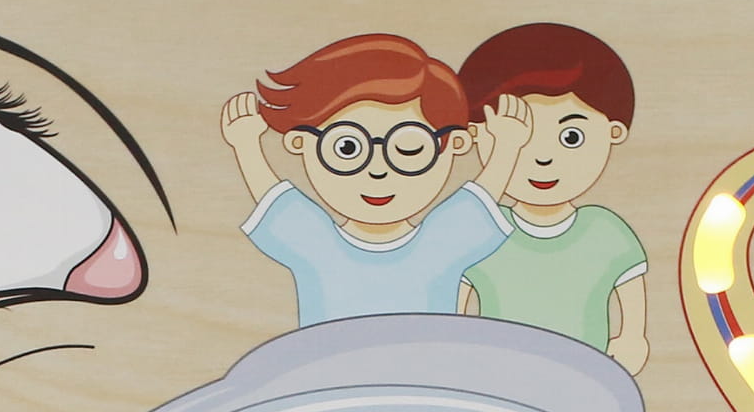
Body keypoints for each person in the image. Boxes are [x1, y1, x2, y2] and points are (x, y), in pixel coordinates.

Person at [220, 32, 531, 326]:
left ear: (455, 145)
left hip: (426, 366)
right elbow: (277, 202)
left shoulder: (441, 243)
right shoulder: (316, 243)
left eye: (409, 149)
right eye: (347, 148)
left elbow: (479, 200)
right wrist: (246, 146)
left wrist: (507, 147)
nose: (377, 170)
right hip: (330, 366)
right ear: (299, 142)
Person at [455, 23, 650, 372]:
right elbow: (455, 306)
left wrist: (632, 337)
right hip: (496, 376)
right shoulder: (482, 228)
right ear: (475, 135)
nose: (543, 158)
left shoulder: (604, 230)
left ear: (614, 131)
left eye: (571, 137)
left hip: (586, 376)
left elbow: (629, 290)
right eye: (520, 139)